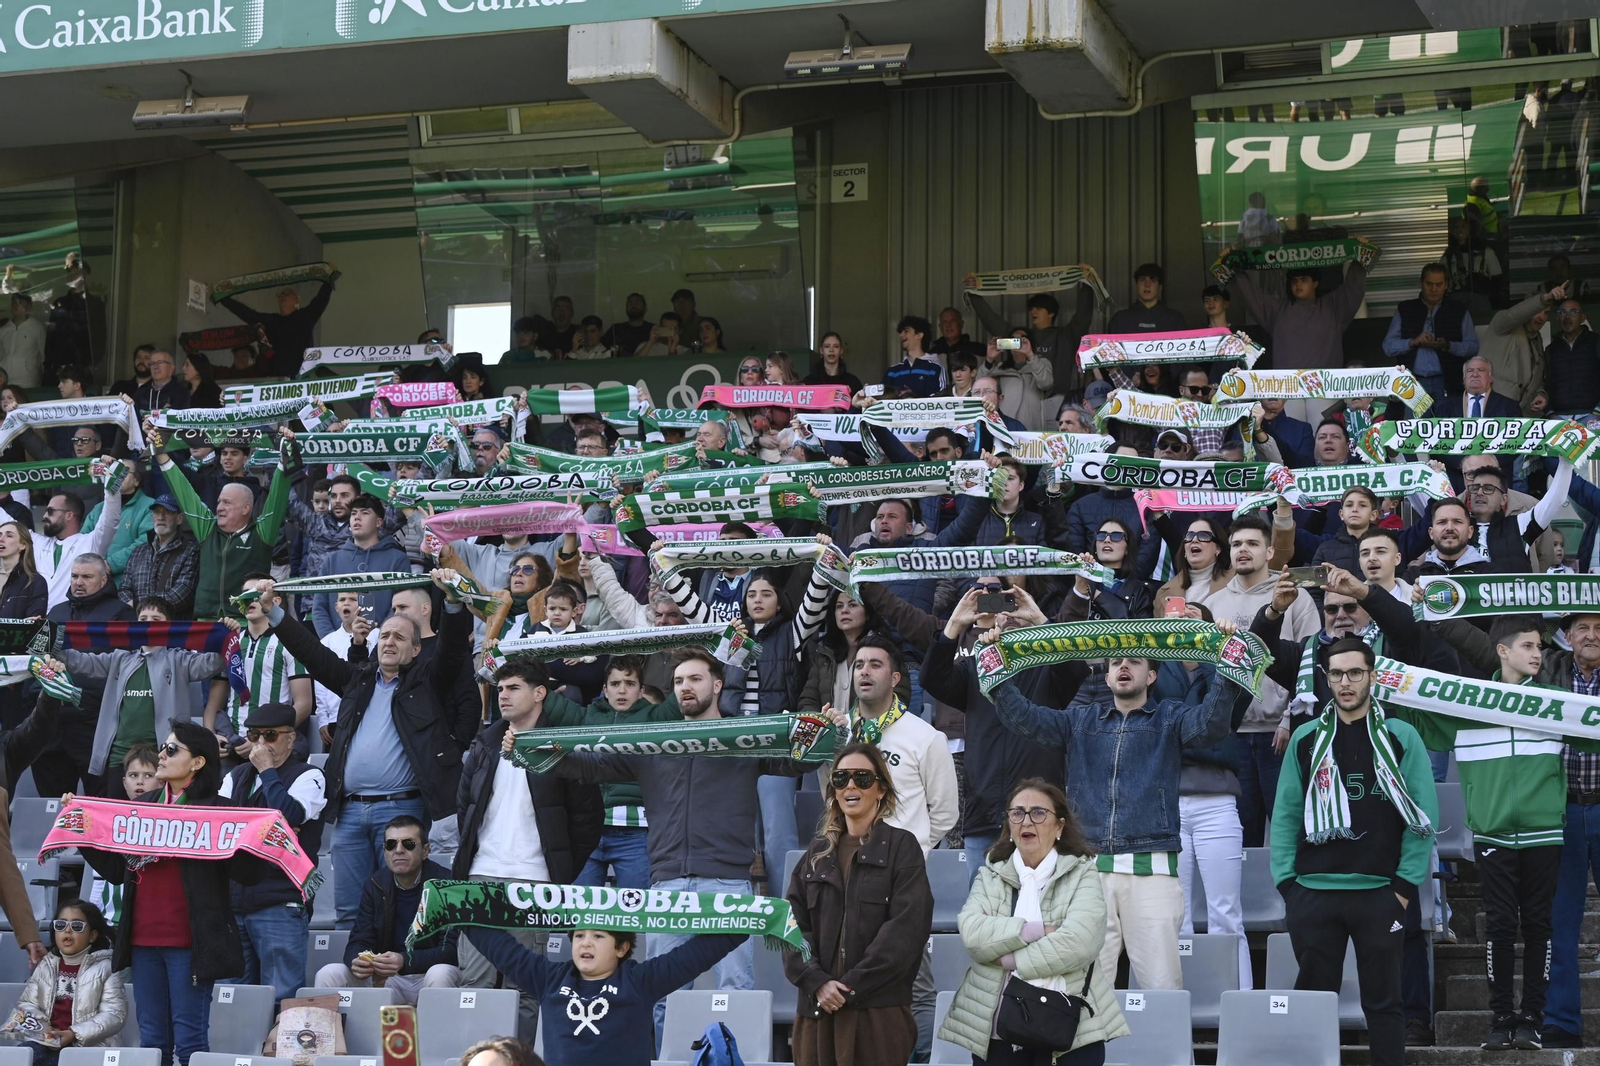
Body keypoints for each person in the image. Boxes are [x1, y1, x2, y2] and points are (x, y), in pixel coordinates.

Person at [987, 619, 1250, 990]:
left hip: (1152, 871)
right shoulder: (1079, 720)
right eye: (1115, 663)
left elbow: (1212, 723)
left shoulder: (1170, 718)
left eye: (1134, 661)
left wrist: (1225, 665)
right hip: (1086, 874)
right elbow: (1025, 719)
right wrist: (996, 670)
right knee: (1084, 990)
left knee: (1162, 988)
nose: (1123, 667)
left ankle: (1168, 1051)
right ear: (1107, 677)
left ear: (1153, 675)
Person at [261, 570, 472, 927]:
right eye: (385, 635)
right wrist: (275, 613)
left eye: (400, 638)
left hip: (402, 809)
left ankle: (403, 977)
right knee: (349, 910)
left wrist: (452, 602)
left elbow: (451, 651)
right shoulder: (356, 680)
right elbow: (312, 652)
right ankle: (352, 980)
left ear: (416, 649)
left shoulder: (427, 682)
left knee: (404, 907)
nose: (389, 642)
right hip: (349, 814)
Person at [1271, 636, 1439, 1066]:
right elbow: (1287, 814)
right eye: (1337, 674)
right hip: (1313, 892)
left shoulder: (1402, 737)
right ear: (1326, 679)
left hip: (1380, 892)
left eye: (1355, 673)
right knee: (1313, 1006)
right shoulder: (1307, 738)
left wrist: (1403, 887)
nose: (1346, 682)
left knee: (1385, 1006)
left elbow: (1422, 818)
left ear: (1373, 677)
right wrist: (1289, 886)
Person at [81, 719, 253, 1066]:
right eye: (163, 746)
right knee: (152, 1042)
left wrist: (251, 836)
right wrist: (82, 827)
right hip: (142, 942)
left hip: (190, 944)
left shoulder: (219, 811)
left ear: (198, 762)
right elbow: (117, 871)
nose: (161, 754)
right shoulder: (141, 807)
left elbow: (249, 874)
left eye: (172, 749)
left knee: (189, 1042)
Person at [454, 658, 602, 1040]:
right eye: (500, 688)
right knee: (474, 985)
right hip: (480, 878)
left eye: (513, 687)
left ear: (539, 694)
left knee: (525, 989)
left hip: (532, 881)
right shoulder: (485, 745)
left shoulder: (562, 746)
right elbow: (464, 809)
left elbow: (588, 820)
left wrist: (559, 866)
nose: (503, 695)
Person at [937, 779, 1130, 1066]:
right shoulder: (990, 873)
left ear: (1060, 826)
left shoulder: (1082, 874)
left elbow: (1078, 943)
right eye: (1017, 813)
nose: (1027, 821)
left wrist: (1006, 956)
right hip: (996, 1027)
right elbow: (974, 935)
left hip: (1068, 1026)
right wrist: (1036, 930)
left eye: (1038, 813)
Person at [785, 743, 933, 1066]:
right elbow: (790, 926)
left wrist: (849, 988)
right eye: (841, 779)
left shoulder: (903, 849)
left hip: (877, 1018)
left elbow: (906, 932)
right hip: (817, 1013)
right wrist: (818, 982)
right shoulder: (815, 853)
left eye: (862, 778)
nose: (850, 786)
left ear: (881, 789)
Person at [456, 918, 742, 1066]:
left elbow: (695, 955)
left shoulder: (641, 981)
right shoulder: (549, 978)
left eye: (598, 936)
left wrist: (749, 923)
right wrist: (457, 914)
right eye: (579, 935)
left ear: (621, 948)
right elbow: (501, 949)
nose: (585, 943)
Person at [52, 595, 223, 789]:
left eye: (156, 620)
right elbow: (81, 662)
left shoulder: (179, 660)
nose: (148, 624)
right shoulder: (120, 659)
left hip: (162, 756)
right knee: (116, 818)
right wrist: (46, 637)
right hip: (119, 757)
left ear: (169, 626)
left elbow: (214, 662)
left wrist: (225, 633)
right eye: (143, 620)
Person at [219, 702, 328, 1005]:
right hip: (235, 900)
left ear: (291, 739)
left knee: (283, 997)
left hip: (281, 901)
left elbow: (288, 815)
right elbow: (220, 825)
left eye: (270, 735)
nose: (261, 744)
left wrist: (268, 771)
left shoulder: (310, 776)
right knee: (234, 1000)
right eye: (254, 736)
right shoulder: (236, 776)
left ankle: (280, 1053)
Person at [314, 816, 462, 1003]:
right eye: (391, 844)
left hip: (428, 976)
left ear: (425, 851)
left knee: (440, 973)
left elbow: (451, 952)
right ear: (384, 851)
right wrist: (357, 962)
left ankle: (437, 1032)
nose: (398, 850)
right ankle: (321, 1032)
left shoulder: (446, 885)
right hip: (386, 979)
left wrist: (404, 960)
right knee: (330, 974)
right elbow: (359, 940)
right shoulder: (376, 884)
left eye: (408, 844)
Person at [153, 427, 290, 620]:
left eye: (227, 502)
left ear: (246, 509)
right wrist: (160, 452)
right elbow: (182, 490)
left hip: (245, 622)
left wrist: (287, 452)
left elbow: (278, 495)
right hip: (206, 622)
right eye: (218, 502)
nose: (219, 508)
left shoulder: (261, 533)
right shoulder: (207, 529)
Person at [37, 554, 132, 796]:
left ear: (103, 580)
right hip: (52, 722)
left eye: (87, 577)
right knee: (52, 801)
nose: (79, 582)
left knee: (98, 798)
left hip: (95, 721)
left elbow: (125, 666)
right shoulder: (56, 612)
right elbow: (38, 659)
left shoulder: (121, 614)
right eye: (75, 576)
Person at [9, 900, 126, 1066]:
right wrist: (43, 1027)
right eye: (61, 925)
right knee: (17, 1058)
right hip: (47, 1042)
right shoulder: (46, 966)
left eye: (77, 926)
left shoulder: (106, 968)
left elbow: (114, 1015)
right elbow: (26, 1004)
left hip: (89, 1046)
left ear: (92, 935)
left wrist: (73, 1033)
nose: (67, 930)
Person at [1382, 263, 1480, 410]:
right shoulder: (1405, 309)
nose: (1434, 289)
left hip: (1448, 383)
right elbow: (1388, 347)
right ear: (1421, 283)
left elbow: (1473, 346)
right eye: (1429, 284)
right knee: (1417, 431)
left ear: (1446, 285)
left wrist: (1448, 345)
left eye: (1439, 284)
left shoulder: (1458, 310)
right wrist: (1413, 342)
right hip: (1413, 383)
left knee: (1447, 430)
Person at [311, 494, 411, 637]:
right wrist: (332, 642)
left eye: (365, 512)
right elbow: (319, 608)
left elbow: (401, 605)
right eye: (353, 513)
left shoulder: (398, 559)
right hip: (336, 652)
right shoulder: (332, 560)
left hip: (383, 646)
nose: (357, 517)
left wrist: (380, 639)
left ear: (379, 522)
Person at [217, 276, 337, 378]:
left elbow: (321, 299)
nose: (283, 296)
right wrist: (223, 299)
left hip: (300, 379)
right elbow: (248, 314)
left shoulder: (305, 317)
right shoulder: (273, 321)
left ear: (298, 300)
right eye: (281, 294)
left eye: (288, 293)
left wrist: (329, 279)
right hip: (276, 380)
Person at [1481, 282, 1561, 413]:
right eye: (1537, 311)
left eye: (1546, 313)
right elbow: (1515, 314)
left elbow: (1536, 377)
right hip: (1494, 408)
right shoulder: (1503, 324)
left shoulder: (1537, 339)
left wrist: (1540, 394)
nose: (1541, 317)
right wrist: (1544, 299)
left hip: (1520, 413)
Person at [118, 494, 199, 616]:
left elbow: (182, 593)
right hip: (138, 624)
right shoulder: (139, 551)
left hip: (172, 628)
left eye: (167, 512)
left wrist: (138, 605)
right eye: (156, 512)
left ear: (179, 519)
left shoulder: (190, 550)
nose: (161, 517)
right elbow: (124, 589)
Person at [1545, 298, 1599, 415]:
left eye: (1573, 312)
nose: (1567, 317)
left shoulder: (1596, 342)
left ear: (1583, 317)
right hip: (1560, 418)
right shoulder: (1551, 349)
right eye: (1562, 312)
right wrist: (1550, 412)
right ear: (1557, 318)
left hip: (1592, 415)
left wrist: (1598, 412)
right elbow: (1547, 383)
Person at [1105, 263, 1185, 334]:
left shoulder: (1174, 319)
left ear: (1160, 287)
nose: (1147, 284)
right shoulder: (1120, 319)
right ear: (1136, 285)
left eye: (1153, 280)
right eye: (1142, 280)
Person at [883, 316, 946, 397]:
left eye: (906, 331)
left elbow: (940, 401)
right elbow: (882, 398)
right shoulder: (892, 371)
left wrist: (914, 397)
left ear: (919, 335)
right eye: (900, 332)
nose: (901, 335)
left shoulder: (935, 369)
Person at [0, 294, 45, 388]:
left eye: (20, 303)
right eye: (14, 303)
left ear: (28, 306)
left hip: (29, 381)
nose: (16, 306)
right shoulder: (3, 330)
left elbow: (43, 354)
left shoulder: (37, 327)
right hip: (6, 380)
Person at [131, 349, 191, 418]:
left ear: (172, 368)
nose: (155, 367)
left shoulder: (182, 393)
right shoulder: (140, 393)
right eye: (152, 363)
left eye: (160, 362)